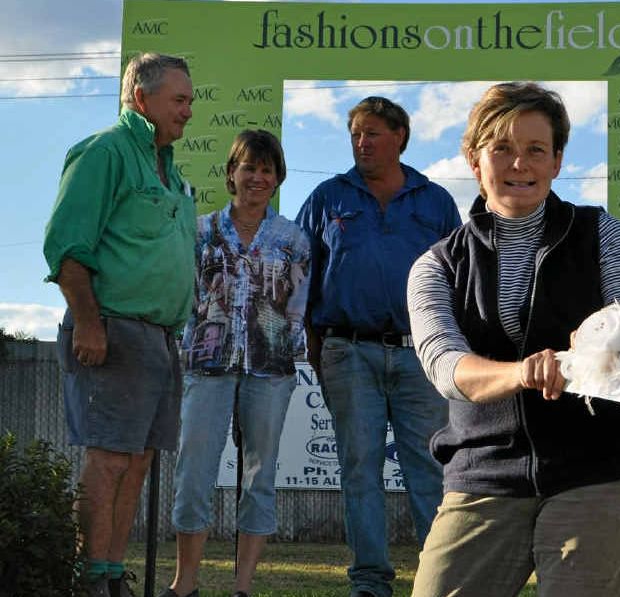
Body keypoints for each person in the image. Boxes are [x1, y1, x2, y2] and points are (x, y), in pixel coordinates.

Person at [407, 82, 620, 597]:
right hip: (485, 470)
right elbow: (446, 366)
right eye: (501, 148)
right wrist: (522, 372)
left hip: (604, 464)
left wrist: (599, 345)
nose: (519, 164)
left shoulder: (605, 235)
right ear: (474, 159)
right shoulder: (434, 265)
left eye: (535, 150)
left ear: (557, 161)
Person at [43, 52, 196, 597]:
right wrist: (88, 323)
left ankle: (111, 576)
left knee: (137, 461)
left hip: (159, 337)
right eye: (179, 100)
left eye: (190, 101)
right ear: (141, 99)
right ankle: (89, 579)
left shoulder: (169, 168)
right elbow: (66, 247)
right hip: (111, 329)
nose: (188, 112)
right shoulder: (105, 152)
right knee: (108, 459)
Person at [296, 96, 461, 597]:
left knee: (430, 468)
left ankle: (442, 578)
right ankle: (369, 582)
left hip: (420, 353)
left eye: (372, 133)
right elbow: (300, 277)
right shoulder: (328, 197)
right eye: (355, 134)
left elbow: (459, 280)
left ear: (400, 138)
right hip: (347, 351)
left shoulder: (433, 199)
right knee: (359, 469)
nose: (362, 143)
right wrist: (314, 347)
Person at [159, 130, 310, 597]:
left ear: (278, 177)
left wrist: (289, 346)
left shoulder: (293, 239)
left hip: (271, 369)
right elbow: (184, 295)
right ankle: (185, 584)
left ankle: (242, 586)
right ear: (231, 173)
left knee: (260, 477)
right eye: (249, 167)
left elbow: (299, 305)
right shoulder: (201, 231)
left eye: (267, 170)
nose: (258, 178)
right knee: (193, 473)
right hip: (208, 366)